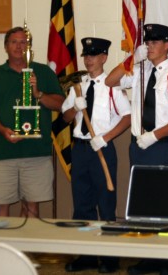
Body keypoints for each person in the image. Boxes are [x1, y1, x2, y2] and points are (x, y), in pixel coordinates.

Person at [105, 23, 168, 275]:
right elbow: (110, 81)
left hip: (161, 145)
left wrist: (155, 135)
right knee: (142, 205)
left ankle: (167, 262)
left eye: (155, 43)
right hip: (137, 147)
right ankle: (148, 257)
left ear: (166, 45)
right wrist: (132, 58)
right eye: (148, 43)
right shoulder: (139, 70)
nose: (150, 46)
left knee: (164, 205)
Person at [0, 26, 65, 217]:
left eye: (23, 42)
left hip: (36, 154)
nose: (18, 46)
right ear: (6, 47)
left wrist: (38, 93)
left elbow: (60, 104)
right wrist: (2, 130)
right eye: (14, 42)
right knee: (0, 208)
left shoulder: (43, 72)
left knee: (31, 208)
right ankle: (1, 247)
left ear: (29, 47)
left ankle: (27, 248)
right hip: (2, 153)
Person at [61, 37, 131, 274]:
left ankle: (110, 257)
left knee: (106, 204)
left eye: (93, 55)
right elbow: (66, 118)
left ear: (104, 58)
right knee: (82, 205)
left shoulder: (112, 86)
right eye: (86, 56)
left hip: (102, 148)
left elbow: (127, 116)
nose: (88, 60)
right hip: (80, 149)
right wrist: (75, 107)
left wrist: (107, 137)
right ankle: (87, 254)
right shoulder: (77, 85)